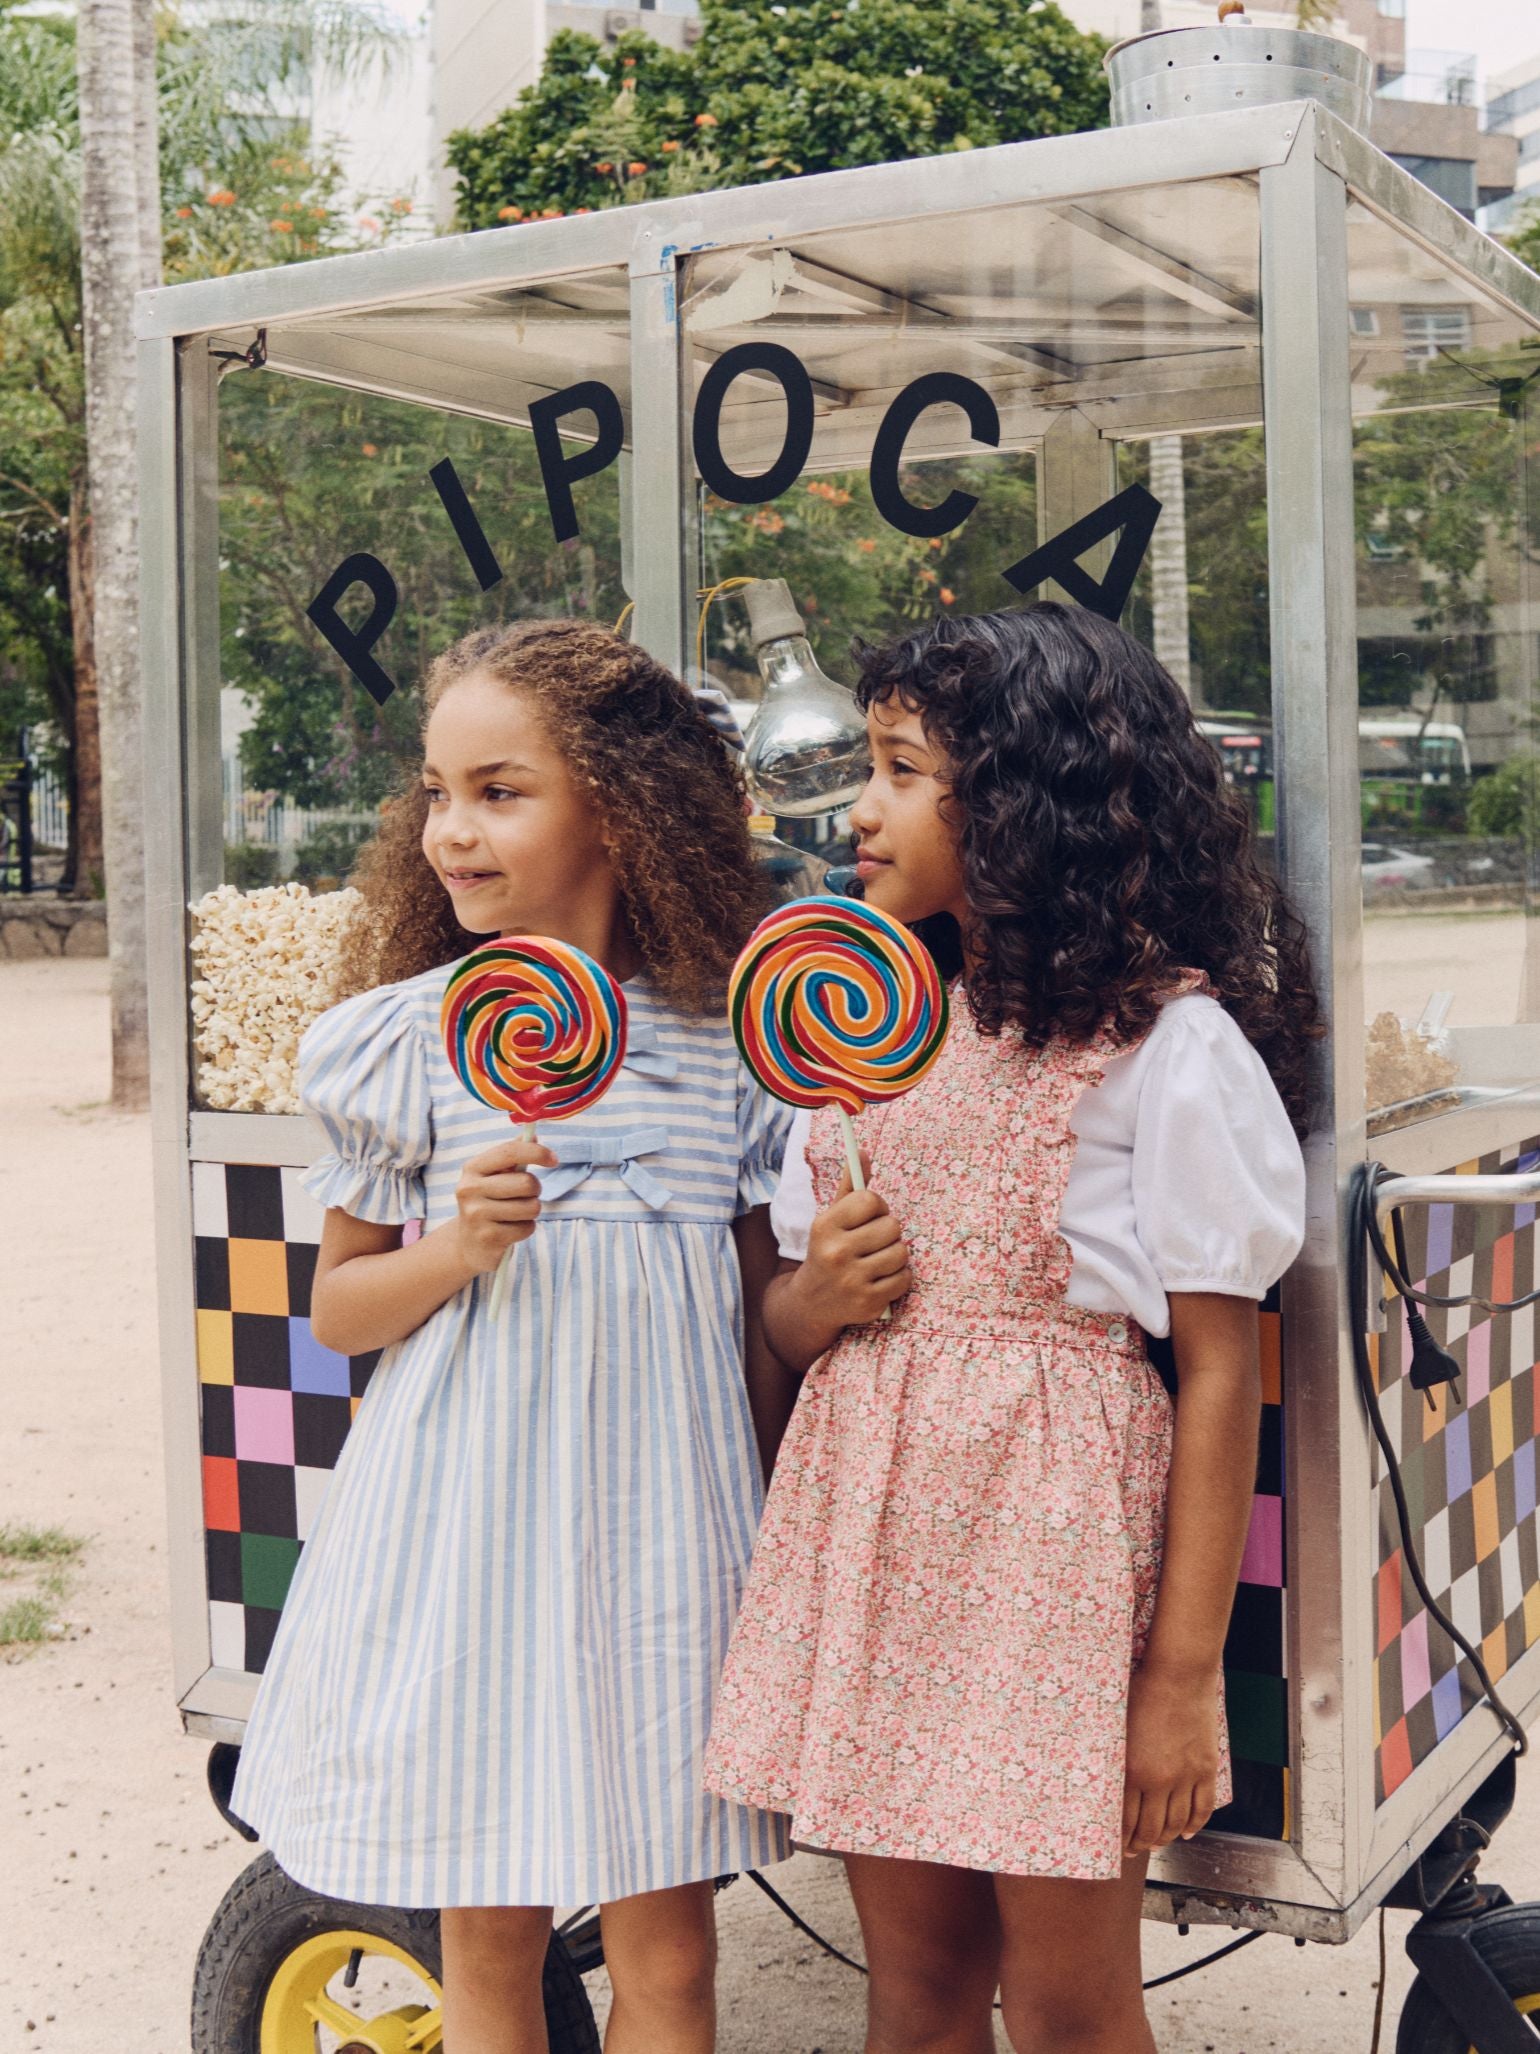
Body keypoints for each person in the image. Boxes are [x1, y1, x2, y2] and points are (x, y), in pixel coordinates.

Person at [704, 602, 1316, 2054]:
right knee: (912, 1990)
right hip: (874, 1551)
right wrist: (815, 1296)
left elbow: (1223, 1369)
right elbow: (789, 1324)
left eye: (904, 770)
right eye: (870, 765)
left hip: (1051, 1581)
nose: (859, 807)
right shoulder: (856, 1032)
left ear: (1028, 802)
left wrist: (1177, 1681)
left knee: (1067, 2006)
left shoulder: (1167, 1048)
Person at [231, 619, 794, 2054]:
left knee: (669, 1941)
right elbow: (340, 1308)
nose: (450, 831)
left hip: (666, 1534)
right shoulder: (409, 1038)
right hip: (470, 1526)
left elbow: (749, 1323)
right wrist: (458, 1246)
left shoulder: (727, 1039)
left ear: (622, 803)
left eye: (498, 790)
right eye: (435, 792)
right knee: (486, 1923)